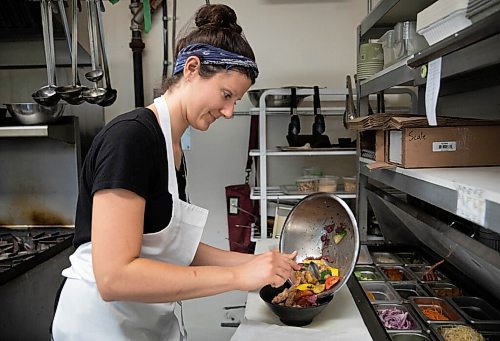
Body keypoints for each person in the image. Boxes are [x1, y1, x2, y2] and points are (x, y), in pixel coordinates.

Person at [51, 4, 300, 340]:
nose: (228, 112)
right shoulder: (131, 139)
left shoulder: (173, 148)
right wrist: (238, 278)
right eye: (226, 95)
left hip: (145, 324)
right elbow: (114, 278)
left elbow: (169, 244)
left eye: (235, 102)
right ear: (192, 69)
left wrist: (254, 262)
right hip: (102, 327)